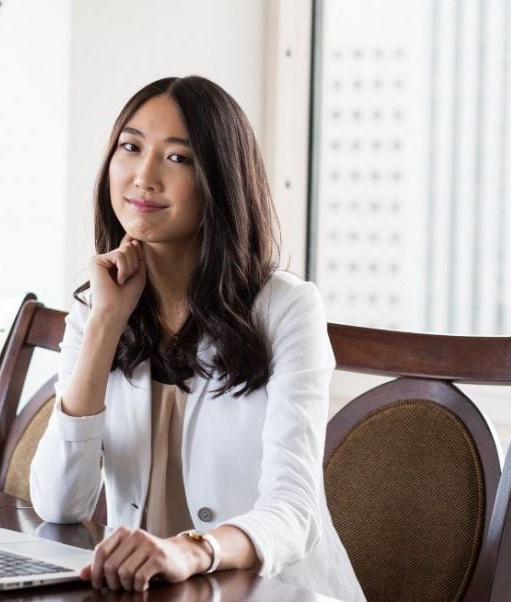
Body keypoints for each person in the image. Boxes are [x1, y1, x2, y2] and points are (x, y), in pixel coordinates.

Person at [28, 76, 364, 600]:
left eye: (179, 159)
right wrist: (104, 326)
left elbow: (295, 510)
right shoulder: (97, 308)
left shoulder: (287, 309)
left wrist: (193, 549)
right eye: (131, 147)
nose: (144, 177)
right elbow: (58, 502)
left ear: (221, 181)